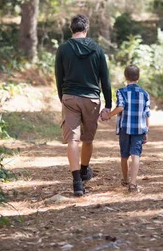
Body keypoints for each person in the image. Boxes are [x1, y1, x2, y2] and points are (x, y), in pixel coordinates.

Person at [55, 14, 112, 196]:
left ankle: (77, 182)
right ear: (86, 29)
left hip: (70, 96)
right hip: (91, 99)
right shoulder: (96, 49)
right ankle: (84, 169)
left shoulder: (63, 49)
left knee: (73, 139)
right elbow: (105, 78)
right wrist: (109, 104)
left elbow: (59, 77)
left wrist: (62, 97)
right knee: (87, 139)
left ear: (71, 29)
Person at [103, 64, 150, 193]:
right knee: (136, 155)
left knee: (124, 155)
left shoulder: (121, 92)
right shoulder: (145, 94)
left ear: (125, 77)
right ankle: (133, 183)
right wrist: (146, 130)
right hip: (139, 129)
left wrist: (109, 115)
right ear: (138, 77)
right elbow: (147, 114)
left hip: (125, 128)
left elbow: (121, 107)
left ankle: (125, 179)